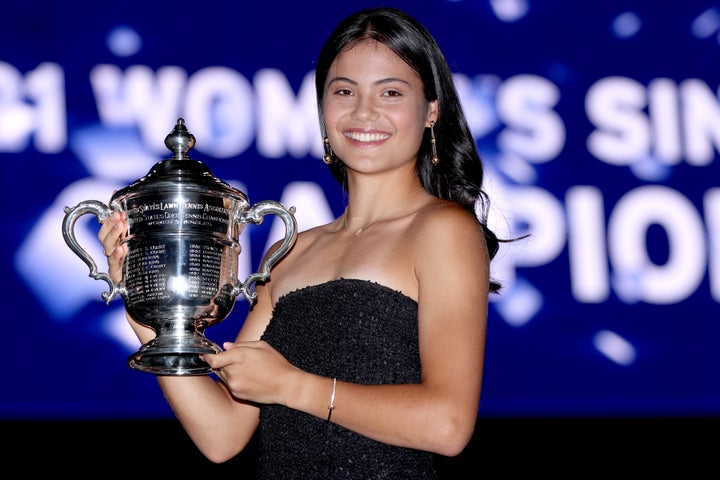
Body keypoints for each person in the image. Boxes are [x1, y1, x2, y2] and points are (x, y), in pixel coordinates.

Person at [99, 6, 506, 479]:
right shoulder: (292, 250)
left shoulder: (443, 229)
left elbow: (447, 424)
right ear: (322, 110)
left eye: (390, 91)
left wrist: (293, 387)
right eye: (344, 92)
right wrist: (145, 305)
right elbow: (222, 435)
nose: (363, 112)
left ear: (431, 110)